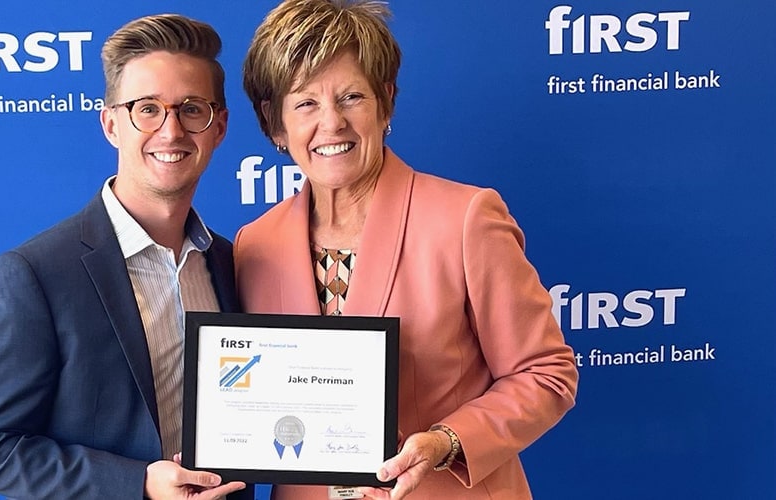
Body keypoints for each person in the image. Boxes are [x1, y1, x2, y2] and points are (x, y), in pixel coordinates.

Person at [236, 1, 579, 498]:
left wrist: (447, 440)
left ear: (386, 102)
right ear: (275, 123)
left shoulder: (466, 219)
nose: (331, 123)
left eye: (351, 96)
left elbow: (546, 374)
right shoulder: (255, 244)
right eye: (305, 103)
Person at [0, 13, 250, 500]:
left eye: (191, 109)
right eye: (147, 109)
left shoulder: (229, 262)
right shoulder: (35, 274)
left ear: (218, 127)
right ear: (112, 124)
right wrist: (138, 484)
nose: (171, 130)